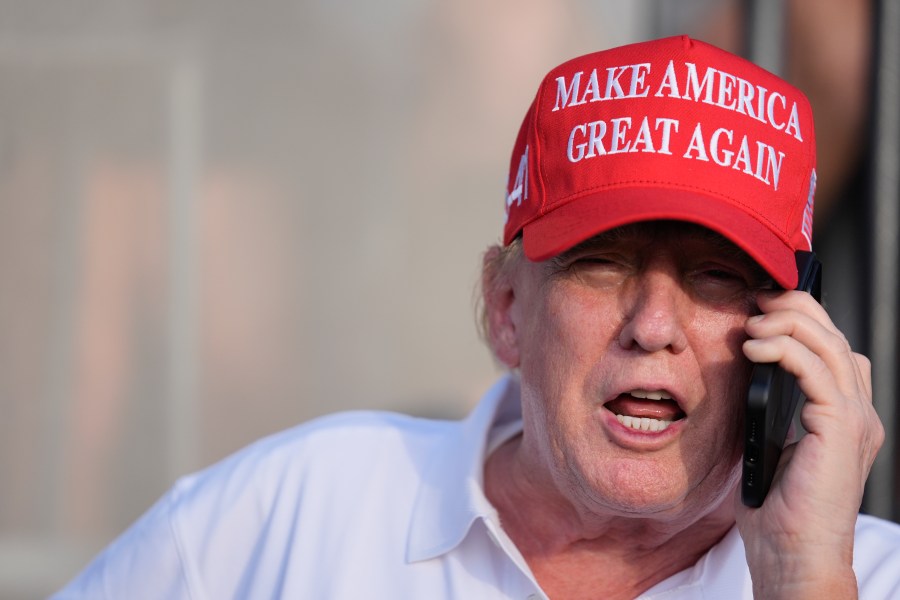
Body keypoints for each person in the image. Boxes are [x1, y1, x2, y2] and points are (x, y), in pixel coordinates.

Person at [54, 35, 899, 599]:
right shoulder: (289, 513)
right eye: (601, 265)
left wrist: (802, 578)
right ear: (504, 309)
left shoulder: (862, 574)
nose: (652, 323)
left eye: (716, 276)